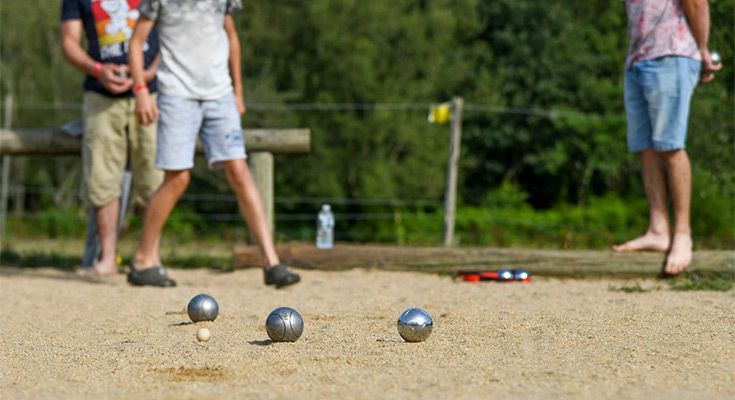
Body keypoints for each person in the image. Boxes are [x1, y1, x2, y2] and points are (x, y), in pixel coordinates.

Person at [127, 0, 301, 288]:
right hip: (176, 94)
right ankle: (143, 260)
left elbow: (231, 36)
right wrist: (141, 91)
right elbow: (136, 43)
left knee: (239, 171)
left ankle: (271, 262)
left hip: (220, 94)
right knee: (177, 178)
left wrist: (238, 91)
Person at [613, 0, 722, 275]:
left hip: (672, 53)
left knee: (670, 146)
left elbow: (696, 2)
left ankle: (683, 234)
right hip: (637, 59)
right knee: (645, 147)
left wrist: (702, 50)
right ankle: (658, 229)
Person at [61, 0, 164, 276]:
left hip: (151, 93)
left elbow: (171, 32)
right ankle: (107, 259)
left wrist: (148, 74)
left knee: (153, 176)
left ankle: (150, 257)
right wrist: (98, 70)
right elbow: (69, 42)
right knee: (102, 177)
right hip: (99, 95)